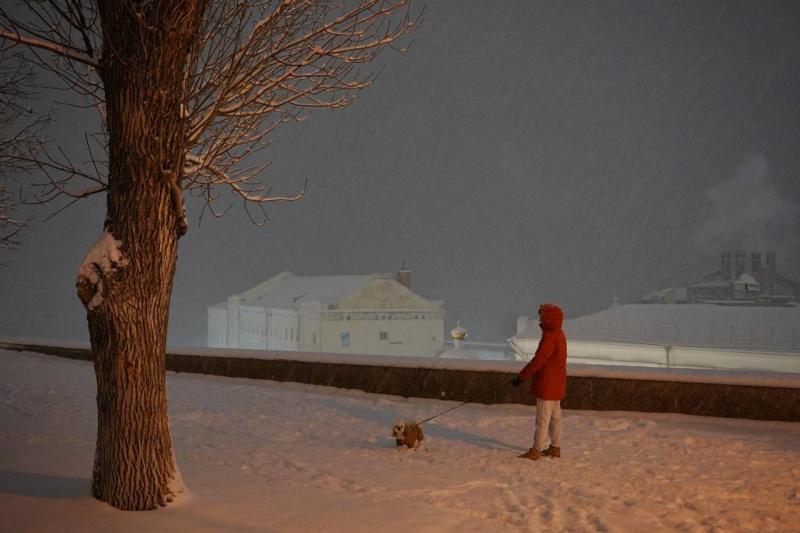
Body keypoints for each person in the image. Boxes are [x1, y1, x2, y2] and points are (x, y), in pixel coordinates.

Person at [511, 303, 567, 460]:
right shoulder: (560, 334)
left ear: (548, 318)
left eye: (542, 315)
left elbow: (539, 360)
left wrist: (522, 376)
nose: (540, 318)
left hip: (547, 383)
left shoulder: (550, 336)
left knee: (542, 419)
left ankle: (536, 450)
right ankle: (555, 447)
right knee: (555, 418)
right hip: (557, 383)